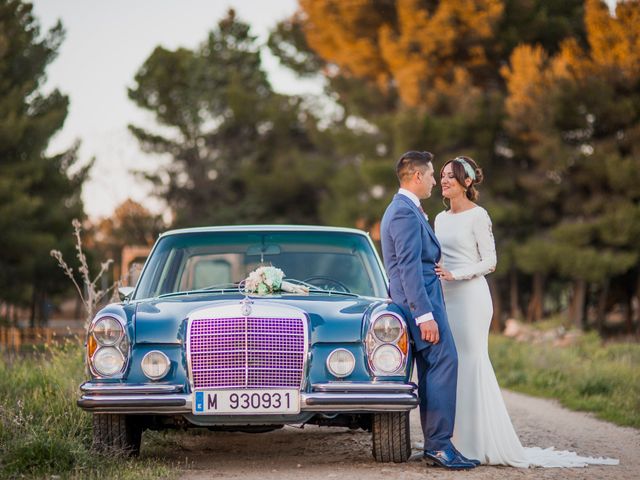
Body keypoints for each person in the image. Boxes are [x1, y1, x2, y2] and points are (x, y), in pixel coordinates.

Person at [434, 155, 619, 468]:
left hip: (470, 297)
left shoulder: (479, 216)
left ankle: (477, 442)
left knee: (471, 361)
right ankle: (452, 439)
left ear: (467, 182)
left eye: (451, 176)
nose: (445, 180)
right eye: (442, 176)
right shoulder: (439, 219)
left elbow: (490, 262)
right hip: (445, 297)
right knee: (453, 365)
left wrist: (456, 274)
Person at [380, 151, 478, 470]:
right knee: (444, 362)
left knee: (434, 369)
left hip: (423, 297)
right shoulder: (404, 212)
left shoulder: (406, 209)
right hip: (420, 303)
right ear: (417, 177)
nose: (437, 180)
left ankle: (437, 444)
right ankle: (438, 445)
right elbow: (407, 267)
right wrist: (424, 316)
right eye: (433, 175)